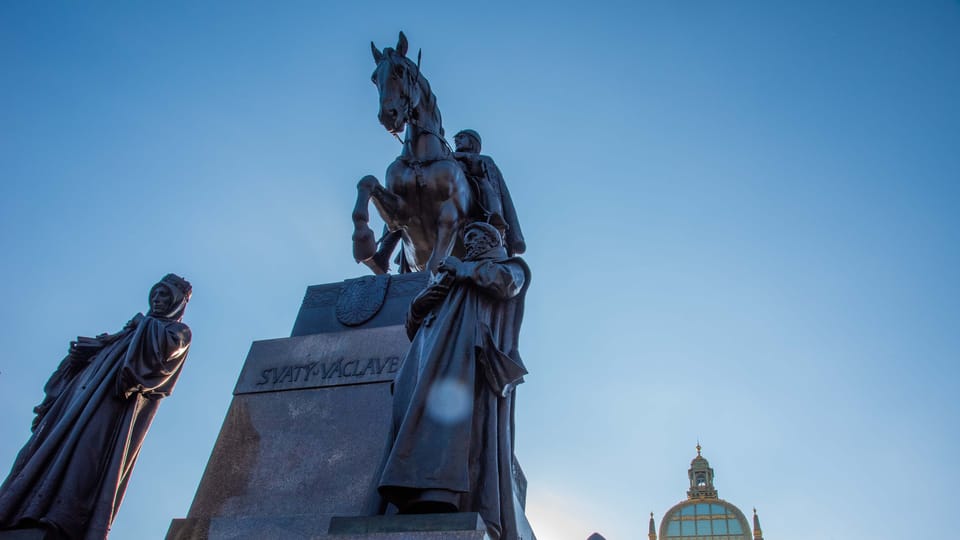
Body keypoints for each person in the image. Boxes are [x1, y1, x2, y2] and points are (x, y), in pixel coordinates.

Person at [0, 274, 193, 539]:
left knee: (85, 462)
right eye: (155, 296)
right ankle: (22, 509)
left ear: (178, 302)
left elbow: (156, 362)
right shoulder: (126, 334)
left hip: (109, 409)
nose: (158, 301)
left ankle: (60, 516)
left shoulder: (174, 331)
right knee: (45, 455)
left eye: (165, 297)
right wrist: (82, 357)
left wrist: (142, 325)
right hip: (75, 406)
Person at [379, 222, 530, 540]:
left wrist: (463, 269)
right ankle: (412, 495)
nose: (471, 242)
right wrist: (421, 302)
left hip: (465, 361)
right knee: (418, 428)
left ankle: (444, 496)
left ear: (492, 239)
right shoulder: (451, 273)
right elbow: (415, 323)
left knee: (455, 433)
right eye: (468, 238)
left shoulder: (508, 265)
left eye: (478, 237)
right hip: (426, 363)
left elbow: (505, 284)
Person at [453, 130, 526, 256]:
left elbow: (480, 169)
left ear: (472, 143)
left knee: (485, 187)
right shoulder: (449, 158)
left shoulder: (485, 159)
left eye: (461, 137)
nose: (457, 140)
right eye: (456, 139)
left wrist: (464, 157)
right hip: (453, 192)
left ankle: (494, 218)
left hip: (477, 190)